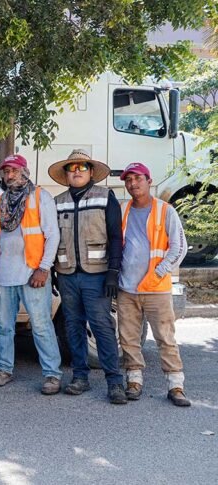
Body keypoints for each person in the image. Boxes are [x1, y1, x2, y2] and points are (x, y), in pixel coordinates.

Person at [47, 149, 127, 404]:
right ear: (66, 173)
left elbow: (116, 237)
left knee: (102, 327)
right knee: (73, 327)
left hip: (98, 276)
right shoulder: (57, 202)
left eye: (83, 166)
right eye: (73, 167)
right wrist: (51, 272)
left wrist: (113, 272)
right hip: (67, 276)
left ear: (91, 172)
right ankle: (80, 376)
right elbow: (49, 238)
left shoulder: (105, 197)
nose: (77, 171)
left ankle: (115, 381)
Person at [0, 154, 63, 394]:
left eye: (14, 171)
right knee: (4, 326)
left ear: (24, 172)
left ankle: (52, 375)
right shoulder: (0, 201)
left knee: (41, 326)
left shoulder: (40, 197)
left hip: (33, 274)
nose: (9, 176)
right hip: (5, 275)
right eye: (5, 171)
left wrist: (43, 268)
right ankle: (3, 370)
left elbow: (53, 236)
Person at [117, 162, 190, 407]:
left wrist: (158, 273)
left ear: (149, 181)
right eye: (128, 180)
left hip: (156, 288)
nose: (133, 183)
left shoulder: (165, 210)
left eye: (138, 178)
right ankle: (134, 380)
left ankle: (175, 385)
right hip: (127, 288)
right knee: (128, 338)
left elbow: (179, 248)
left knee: (165, 338)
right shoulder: (123, 210)